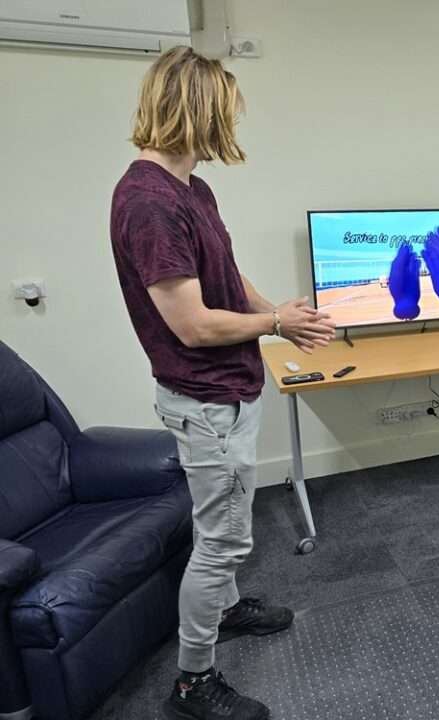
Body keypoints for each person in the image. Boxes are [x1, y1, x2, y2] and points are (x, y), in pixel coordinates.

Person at [110, 46, 337, 720]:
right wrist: (272, 322)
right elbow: (192, 325)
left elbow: (227, 281)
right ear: (200, 111)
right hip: (205, 397)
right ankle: (193, 679)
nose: (232, 126)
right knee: (223, 541)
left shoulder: (191, 190)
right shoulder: (148, 202)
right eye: (227, 113)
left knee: (226, 530)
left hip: (231, 388)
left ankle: (229, 607)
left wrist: (281, 321)